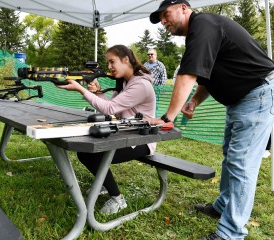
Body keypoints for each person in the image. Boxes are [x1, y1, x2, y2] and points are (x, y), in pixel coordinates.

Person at [148, 0, 274, 239]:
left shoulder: (203, 23)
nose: (163, 22)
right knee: (231, 155)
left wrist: (167, 117)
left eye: (166, 14)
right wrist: (194, 101)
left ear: (183, 8)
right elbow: (207, 77)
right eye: (160, 19)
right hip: (241, 98)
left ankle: (231, 233)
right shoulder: (200, 31)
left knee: (242, 163)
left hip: (257, 94)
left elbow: (188, 74)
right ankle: (223, 206)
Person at [57, 44, 156, 214]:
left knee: (93, 155)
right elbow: (114, 109)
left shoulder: (140, 85)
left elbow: (109, 109)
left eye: (112, 62)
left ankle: (118, 198)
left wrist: (81, 89)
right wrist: (98, 93)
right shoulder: (126, 82)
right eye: (108, 63)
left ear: (126, 60)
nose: (109, 67)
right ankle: (103, 183)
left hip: (141, 140)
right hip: (126, 132)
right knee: (85, 152)